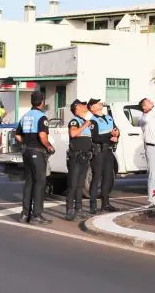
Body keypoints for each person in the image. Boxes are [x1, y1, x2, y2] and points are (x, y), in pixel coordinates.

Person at [13, 91, 55, 224]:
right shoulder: (42, 117)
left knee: (29, 183)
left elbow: (17, 135)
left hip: (26, 152)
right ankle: (37, 215)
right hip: (38, 152)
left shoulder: (25, 116)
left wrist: (24, 143)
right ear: (42, 102)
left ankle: (25, 215)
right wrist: (49, 147)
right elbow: (43, 136)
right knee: (40, 183)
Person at [87, 98, 120, 214]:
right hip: (99, 152)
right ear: (92, 108)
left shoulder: (108, 117)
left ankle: (105, 204)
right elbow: (95, 137)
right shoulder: (93, 121)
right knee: (96, 178)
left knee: (108, 177)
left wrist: (117, 134)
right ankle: (93, 206)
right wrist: (109, 136)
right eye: (97, 103)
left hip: (109, 151)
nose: (100, 103)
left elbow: (116, 130)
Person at [64, 99, 94, 221]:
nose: (85, 106)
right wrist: (85, 125)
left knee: (80, 185)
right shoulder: (74, 121)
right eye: (82, 104)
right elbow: (73, 134)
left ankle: (79, 209)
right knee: (73, 184)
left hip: (85, 157)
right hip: (76, 157)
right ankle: (69, 211)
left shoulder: (83, 121)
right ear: (77, 108)